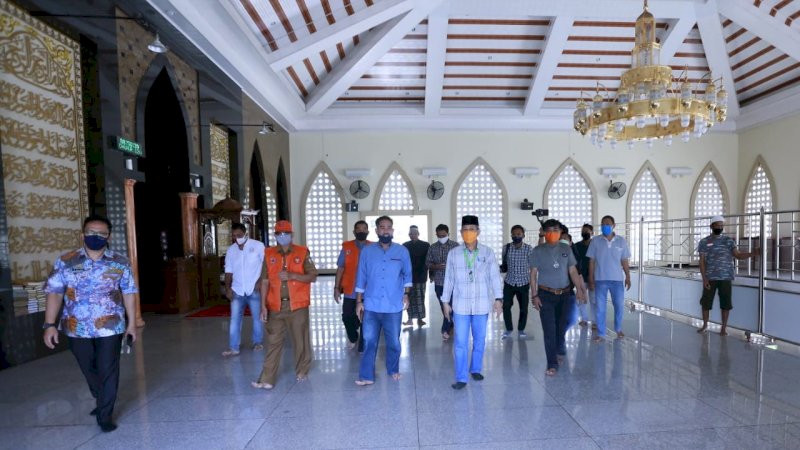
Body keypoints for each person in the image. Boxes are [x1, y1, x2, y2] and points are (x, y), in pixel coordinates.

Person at [42, 215, 138, 432]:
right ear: (82, 234)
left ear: (108, 236)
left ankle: (105, 414)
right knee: (88, 367)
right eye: (91, 233)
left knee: (109, 368)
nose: (96, 237)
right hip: (76, 327)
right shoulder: (66, 260)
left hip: (110, 325)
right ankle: (102, 395)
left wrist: (132, 323)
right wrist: (49, 325)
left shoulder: (120, 261)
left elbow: (130, 292)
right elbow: (55, 293)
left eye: (101, 234)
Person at [252, 220, 318, 390]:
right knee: (273, 342)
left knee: (300, 340)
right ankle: (267, 378)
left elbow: (313, 276)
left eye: (286, 233)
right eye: (279, 234)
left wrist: (293, 276)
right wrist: (263, 306)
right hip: (275, 306)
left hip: (297, 306)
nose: (283, 237)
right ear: (275, 236)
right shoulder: (269, 254)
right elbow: (265, 281)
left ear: (291, 235)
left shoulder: (302, 252)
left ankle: (302, 370)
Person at [441, 215, 504, 389]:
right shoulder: (453, 254)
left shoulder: (487, 252)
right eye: (465, 229)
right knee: (460, 341)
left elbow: (494, 277)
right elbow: (449, 279)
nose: (469, 232)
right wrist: (445, 301)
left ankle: (475, 368)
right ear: (461, 232)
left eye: (472, 229)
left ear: (478, 231)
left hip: (481, 305)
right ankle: (461, 377)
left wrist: (499, 299)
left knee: (480, 339)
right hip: (460, 306)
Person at [354, 216, 412, 385]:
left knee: (393, 341)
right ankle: (366, 376)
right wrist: (359, 301)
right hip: (371, 305)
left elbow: (408, 275)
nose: (385, 230)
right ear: (377, 230)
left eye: (388, 227)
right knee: (369, 341)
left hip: (393, 305)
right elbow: (361, 277)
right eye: (382, 227)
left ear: (392, 230)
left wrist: (406, 294)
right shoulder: (367, 251)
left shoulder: (402, 251)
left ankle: (393, 369)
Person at [529, 219, 588, 376]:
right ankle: (552, 363)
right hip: (545, 294)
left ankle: (558, 349)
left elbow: (573, 271)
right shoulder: (537, 251)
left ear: (560, 232)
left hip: (565, 295)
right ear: (544, 232)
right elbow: (533, 275)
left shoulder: (566, 249)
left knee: (562, 326)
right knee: (549, 329)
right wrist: (534, 295)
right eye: (549, 230)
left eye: (556, 230)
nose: (553, 233)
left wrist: (581, 290)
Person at [697, 215, 758, 336]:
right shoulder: (704, 242)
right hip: (710, 278)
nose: (719, 227)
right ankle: (705, 325)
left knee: (725, 304)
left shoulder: (729, 241)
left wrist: (753, 253)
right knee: (706, 303)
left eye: (721, 225)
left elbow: (738, 255)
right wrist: (704, 278)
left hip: (725, 278)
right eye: (717, 225)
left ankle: (723, 328)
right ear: (711, 226)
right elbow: (702, 261)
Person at [222, 223, 265, 357]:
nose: (236, 238)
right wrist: (227, 288)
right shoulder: (231, 250)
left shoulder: (257, 246)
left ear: (245, 233)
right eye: (234, 236)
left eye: (239, 235)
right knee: (235, 319)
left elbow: (266, 265)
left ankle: (257, 342)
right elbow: (228, 271)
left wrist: (260, 281)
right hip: (237, 289)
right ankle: (233, 347)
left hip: (254, 288)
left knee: (257, 318)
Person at [587, 215, 631, 341]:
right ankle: (601, 333)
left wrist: (628, 276)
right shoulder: (595, 241)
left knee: (619, 305)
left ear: (613, 225)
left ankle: (618, 328)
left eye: (607, 224)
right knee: (600, 308)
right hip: (600, 279)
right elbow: (592, 261)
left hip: (617, 280)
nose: (605, 226)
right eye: (603, 224)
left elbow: (624, 260)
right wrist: (591, 278)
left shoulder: (621, 241)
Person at [334, 220, 372, 351]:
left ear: (368, 231)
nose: (361, 231)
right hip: (350, 290)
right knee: (347, 317)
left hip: (369, 291)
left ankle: (363, 345)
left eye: (364, 229)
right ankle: (353, 337)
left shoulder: (373, 247)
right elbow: (340, 268)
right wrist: (336, 288)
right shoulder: (347, 247)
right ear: (354, 231)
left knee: (367, 319)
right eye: (358, 229)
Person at [425, 224, 459, 340]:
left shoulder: (456, 246)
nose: (441, 237)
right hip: (439, 282)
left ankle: (445, 329)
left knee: (452, 306)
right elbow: (427, 263)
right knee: (443, 306)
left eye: (443, 235)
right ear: (436, 235)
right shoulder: (433, 247)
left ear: (448, 234)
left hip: (455, 283)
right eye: (439, 236)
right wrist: (436, 266)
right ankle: (451, 324)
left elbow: (462, 262)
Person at [500, 225, 534, 339]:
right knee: (506, 306)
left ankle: (521, 329)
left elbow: (533, 267)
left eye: (519, 234)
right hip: (509, 282)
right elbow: (504, 263)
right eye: (514, 234)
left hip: (523, 283)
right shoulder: (506, 248)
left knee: (523, 308)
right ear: (511, 235)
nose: (516, 236)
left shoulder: (529, 249)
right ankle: (509, 329)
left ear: (523, 235)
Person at [403, 225, 430, 327]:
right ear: (408, 235)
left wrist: (430, 273)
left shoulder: (425, 245)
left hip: (421, 275)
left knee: (420, 298)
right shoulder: (405, 245)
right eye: (411, 233)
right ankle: (409, 319)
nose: (412, 235)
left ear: (418, 234)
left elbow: (428, 260)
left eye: (414, 233)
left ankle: (420, 319)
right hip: (408, 276)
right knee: (408, 297)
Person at [573, 224, 595, 329]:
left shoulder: (595, 245)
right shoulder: (577, 246)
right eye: (583, 231)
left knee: (593, 299)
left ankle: (595, 321)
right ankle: (584, 319)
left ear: (592, 233)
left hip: (594, 276)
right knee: (581, 298)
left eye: (587, 231)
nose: (585, 233)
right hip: (581, 276)